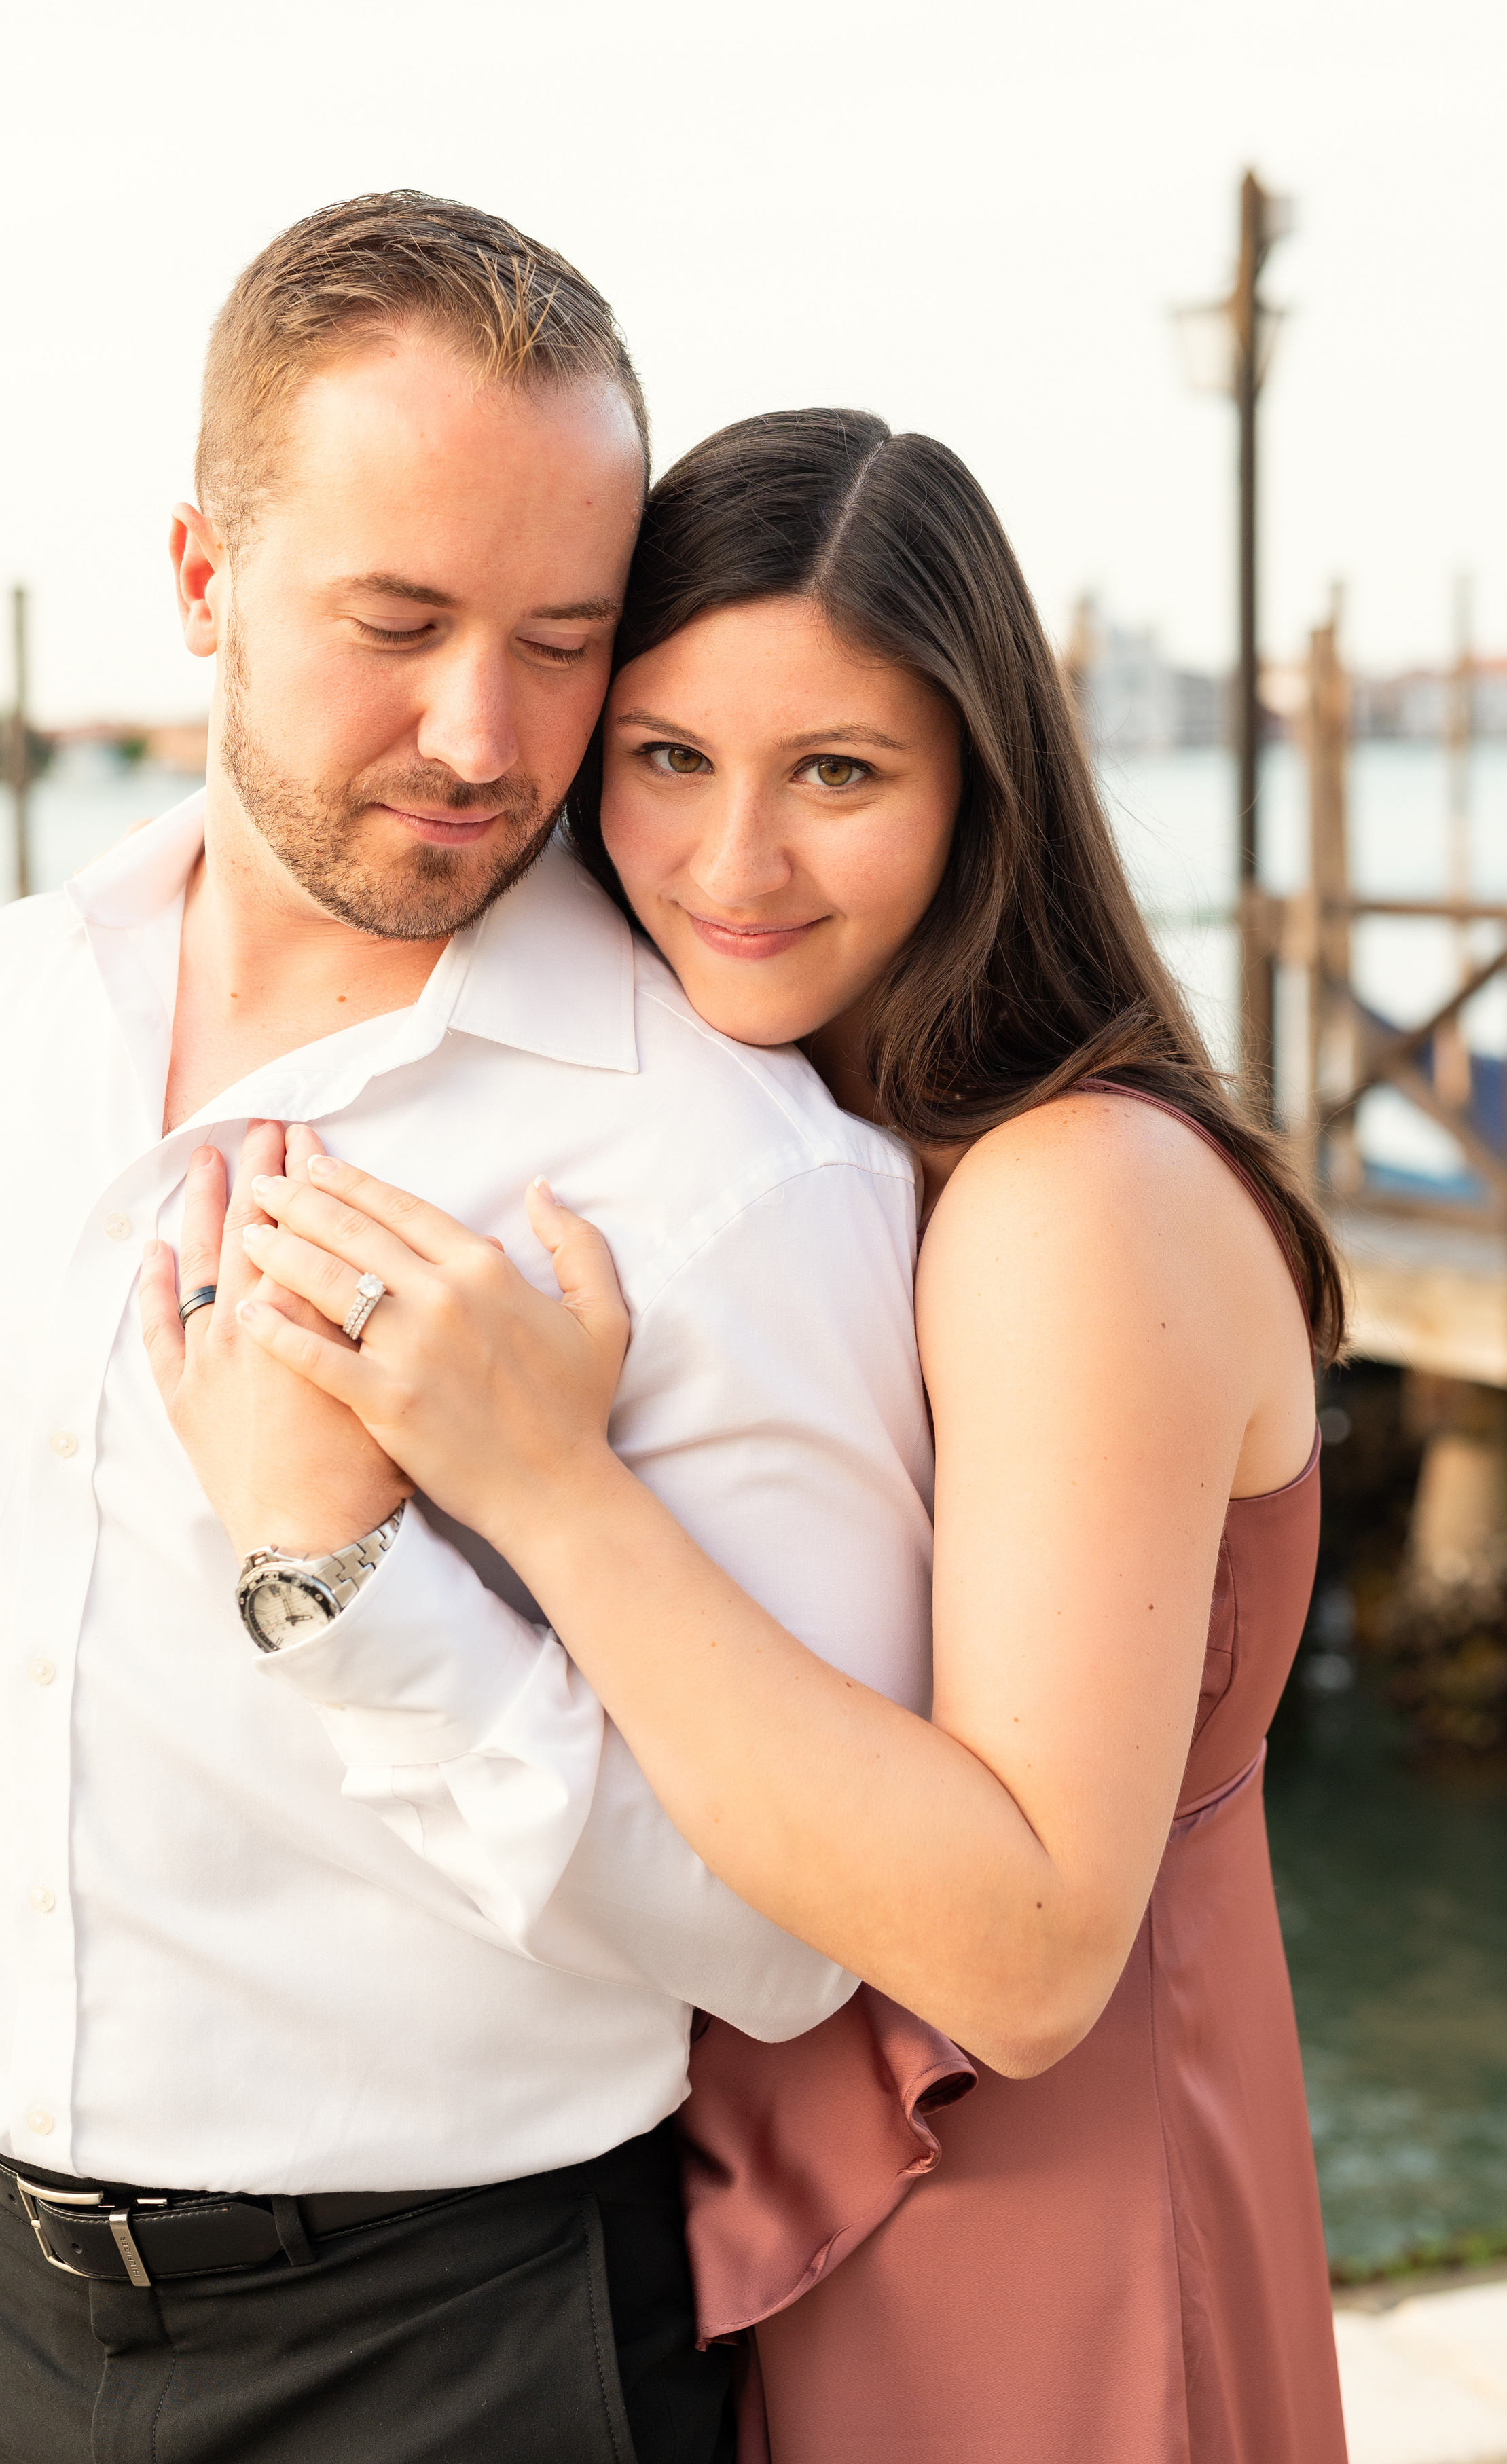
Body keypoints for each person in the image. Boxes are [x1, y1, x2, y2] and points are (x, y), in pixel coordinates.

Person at [233, 408, 1353, 2461]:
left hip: (1047, 2263)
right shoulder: (827, 1150)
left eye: (837, 771)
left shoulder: (1068, 1197)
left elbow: (1021, 1959)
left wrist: (548, 1482)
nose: (732, 863)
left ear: (976, 788)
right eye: (667, 760)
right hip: (805, 2230)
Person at [0, 212, 940, 2464]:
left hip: (450, 2349)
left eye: (561, 639)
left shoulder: (739, 1180)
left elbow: (789, 1940)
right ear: (202, 579)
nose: (482, 735)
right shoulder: (23, 1014)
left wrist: (359, 1594)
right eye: (398, 623)